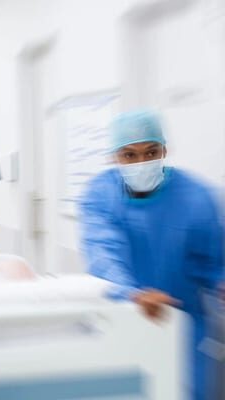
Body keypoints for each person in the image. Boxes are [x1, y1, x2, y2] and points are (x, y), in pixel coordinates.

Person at [78, 110, 224, 400]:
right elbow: (103, 253)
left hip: (184, 323)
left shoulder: (196, 195)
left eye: (150, 152)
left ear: (164, 150)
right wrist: (132, 293)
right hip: (124, 315)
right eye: (129, 155)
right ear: (114, 157)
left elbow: (214, 259)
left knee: (184, 390)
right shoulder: (101, 194)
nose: (141, 163)